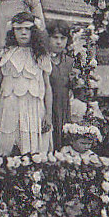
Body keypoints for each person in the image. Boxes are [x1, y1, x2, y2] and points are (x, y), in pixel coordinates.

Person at [0, 12, 52, 156]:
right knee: (8, 142)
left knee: (32, 147)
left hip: (33, 106)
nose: (23, 33)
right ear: (13, 31)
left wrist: (48, 114)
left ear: (34, 31)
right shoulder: (6, 54)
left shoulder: (41, 56)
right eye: (18, 29)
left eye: (27, 29)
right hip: (9, 105)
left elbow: (48, 87)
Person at [47, 20, 75, 151]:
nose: (59, 42)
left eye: (62, 38)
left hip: (63, 106)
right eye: (55, 38)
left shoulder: (70, 62)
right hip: (46, 106)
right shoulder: (42, 59)